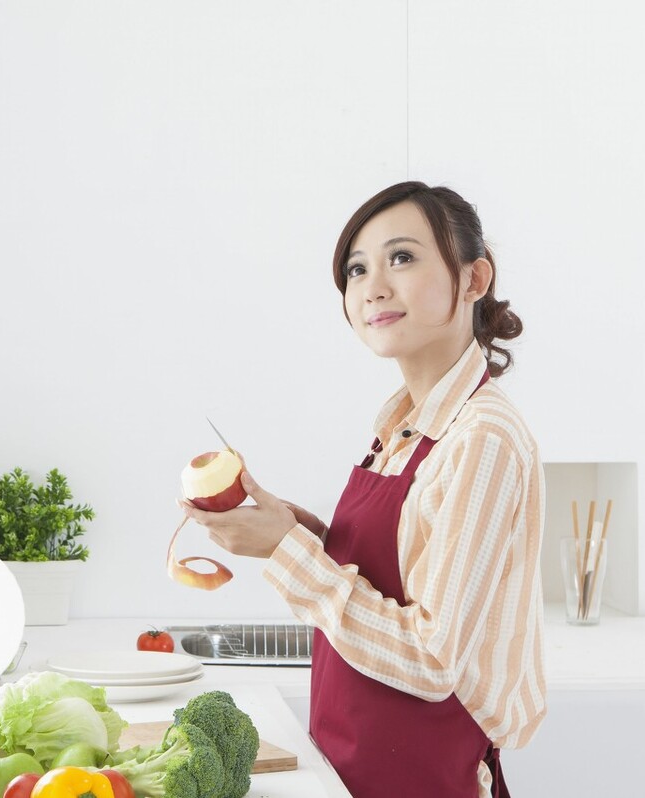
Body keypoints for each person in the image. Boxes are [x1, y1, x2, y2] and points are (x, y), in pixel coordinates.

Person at [180, 181, 545, 798]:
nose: (372, 286)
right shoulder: (403, 427)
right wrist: (304, 535)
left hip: (426, 778)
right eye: (356, 268)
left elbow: (431, 660)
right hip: (357, 770)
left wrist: (286, 554)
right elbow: (398, 575)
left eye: (401, 257)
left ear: (475, 277)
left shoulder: (482, 438)